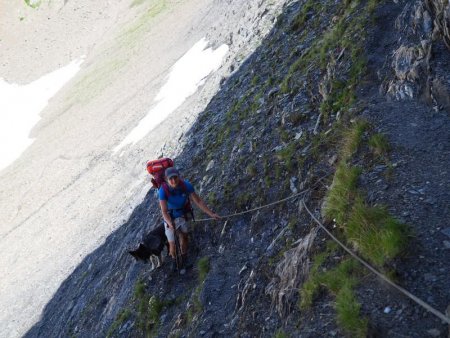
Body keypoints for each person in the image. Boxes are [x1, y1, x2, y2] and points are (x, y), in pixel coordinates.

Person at [159, 167, 220, 268]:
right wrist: (170, 224)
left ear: (179, 176)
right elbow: (164, 212)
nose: (173, 180)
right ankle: (174, 259)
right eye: (171, 179)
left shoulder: (186, 186)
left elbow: (198, 201)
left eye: (175, 177)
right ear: (166, 179)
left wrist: (211, 214)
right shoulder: (163, 191)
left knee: (184, 237)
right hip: (170, 218)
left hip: (183, 215)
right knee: (172, 245)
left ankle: (184, 258)